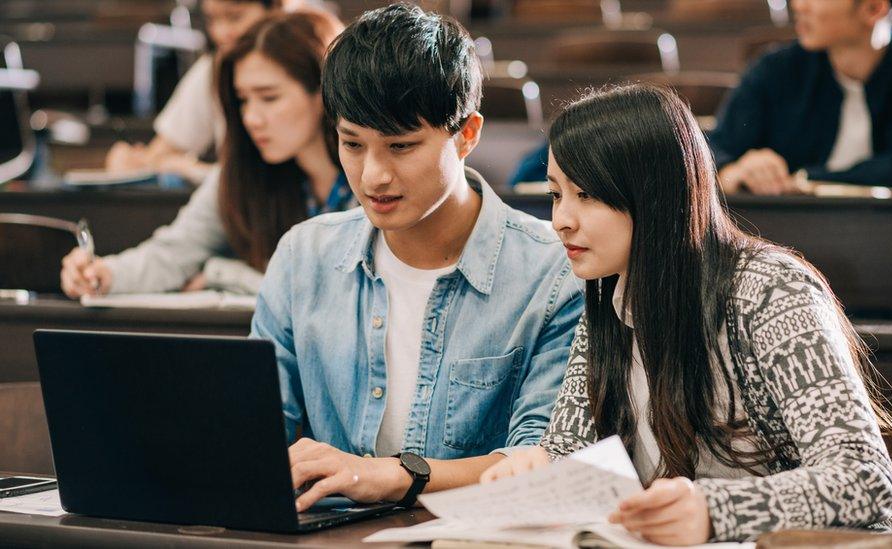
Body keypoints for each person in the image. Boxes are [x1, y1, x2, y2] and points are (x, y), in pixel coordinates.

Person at [480, 85, 892, 544]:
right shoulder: (608, 293)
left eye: (586, 194)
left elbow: (865, 480)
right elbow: (572, 448)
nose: (561, 220)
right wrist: (538, 466)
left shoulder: (772, 291)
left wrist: (713, 511)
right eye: (555, 194)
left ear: (654, 194)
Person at [250, 3, 583, 511]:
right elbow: (253, 430)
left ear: (467, 134)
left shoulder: (553, 273)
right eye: (352, 144)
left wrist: (395, 476)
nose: (372, 176)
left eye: (401, 146)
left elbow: (540, 458)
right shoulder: (304, 256)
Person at [60, 11, 350, 298]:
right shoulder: (241, 175)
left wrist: (219, 273)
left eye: (269, 97)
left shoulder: (370, 176)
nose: (251, 117)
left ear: (322, 92)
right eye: (242, 100)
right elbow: (173, 254)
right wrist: (103, 273)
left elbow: (332, 293)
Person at [710, 0, 892, 194]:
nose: (799, 5)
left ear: (873, 8)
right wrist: (734, 171)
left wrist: (802, 180)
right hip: (787, 237)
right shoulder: (774, 68)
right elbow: (713, 151)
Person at [105, 0, 281, 183]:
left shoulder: (299, 63)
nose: (220, 33)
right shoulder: (212, 69)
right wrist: (135, 163)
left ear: (275, 8)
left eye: (235, 17)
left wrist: (192, 170)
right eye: (212, 19)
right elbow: (159, 155)